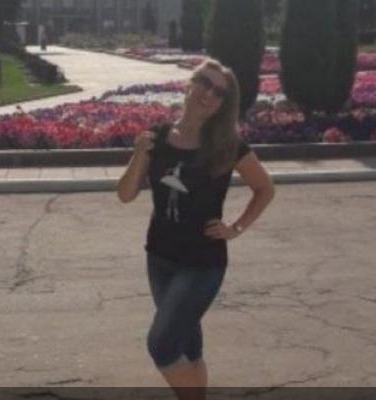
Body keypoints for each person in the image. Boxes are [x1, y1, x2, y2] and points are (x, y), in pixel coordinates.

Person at [117, 58, 275, 399]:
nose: (209, 94)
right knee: (188, 347)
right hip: (159, 257)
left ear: (223, 104)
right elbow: (126, 195)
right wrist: (139, 154)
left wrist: (236, 227)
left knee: (162, 345)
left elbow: (265, 188)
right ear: (190, 84)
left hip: (202, 262)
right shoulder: (157, 138)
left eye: (219, 93)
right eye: (205, 83)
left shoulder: (226, 145)